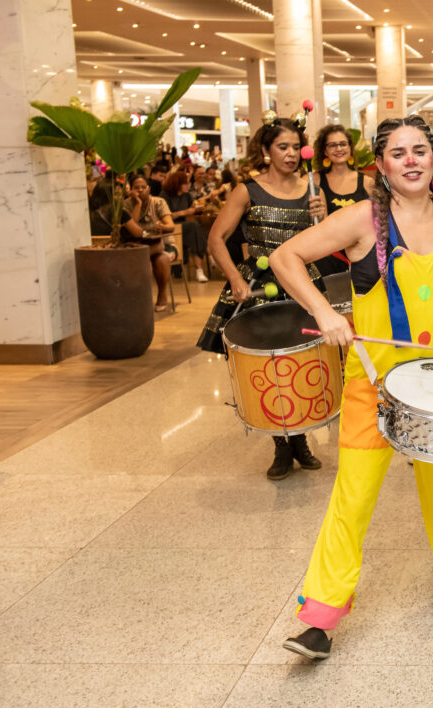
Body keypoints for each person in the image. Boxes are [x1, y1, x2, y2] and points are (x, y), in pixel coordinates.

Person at [269, 115, 433, 660]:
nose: (412, 160)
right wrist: (325, 312)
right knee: (353, 494)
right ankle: (320, 617)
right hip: (373, 385)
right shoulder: (361, 221)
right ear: (381, 165)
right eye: (399, 153)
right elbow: (286, 258)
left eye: (420, 149)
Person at [196, 115, 328, 480]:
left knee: (300, 362)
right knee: (268, 367)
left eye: (293, 147)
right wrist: (236, 278)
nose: (289, 154)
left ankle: (300, 437)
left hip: (301, 283)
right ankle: (282, 446)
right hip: (260, 286)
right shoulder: (247, 190)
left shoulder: (312, 188)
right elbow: (216, 240)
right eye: (281, 147)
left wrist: (324, 216)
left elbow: (323, 245)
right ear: (267, 151)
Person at [311, 123, 374, 277]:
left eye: (343, 144)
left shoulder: (367, 182)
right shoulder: (315, 181)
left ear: (350, 148)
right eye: (332, 145)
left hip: (361, 256)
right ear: (324, 150)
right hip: (327, 257)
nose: (339, 149)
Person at [126, 174, 176, 311]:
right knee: (146, 262)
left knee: (162, 259)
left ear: (149, 188)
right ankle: (144, 298)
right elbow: (133, 227)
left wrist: (163, 227)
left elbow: (171, 226)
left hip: (163, 244)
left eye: (143, 187)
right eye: (137, 188)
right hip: (138, 246)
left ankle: (162, 294)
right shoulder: (126, 204)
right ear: (130, 189)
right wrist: (138, 204)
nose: (141, 190)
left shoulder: (158, 202)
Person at [161, 170, 209, 282]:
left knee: (197, 229)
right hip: (170, 228)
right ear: (178, 184)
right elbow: (165, 216)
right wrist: (185, 212)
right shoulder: (165, 195)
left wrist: (197, 207)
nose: (189, 186)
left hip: (184, 228)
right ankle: (205, 260)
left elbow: (192, 206)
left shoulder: (186, 195)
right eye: (186, 183)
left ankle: (199, 268)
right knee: (194, 227)